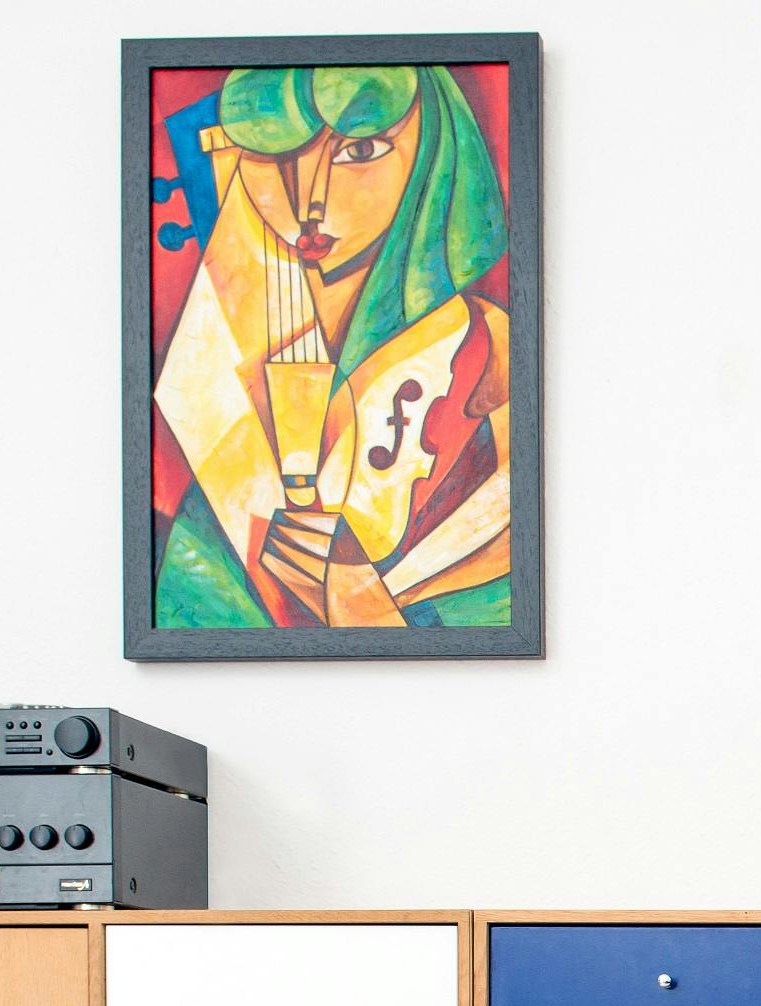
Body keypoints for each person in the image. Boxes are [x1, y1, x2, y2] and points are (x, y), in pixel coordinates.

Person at [152, 62, 514, 630]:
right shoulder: (230, 406)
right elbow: (190, 615)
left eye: (361, 151)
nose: (308, 203)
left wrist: (361, 606)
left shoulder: (494, 370)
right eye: (274, 159)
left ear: (434, 155)